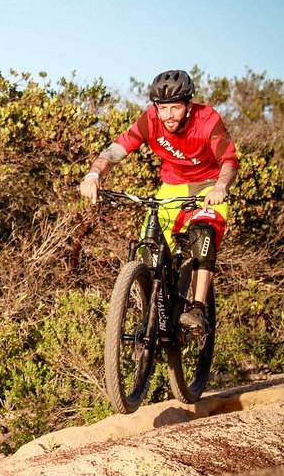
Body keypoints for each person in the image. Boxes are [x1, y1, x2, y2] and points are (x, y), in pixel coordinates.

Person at [79, 69, 239, 335]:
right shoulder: (150, 120)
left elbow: (229, 161)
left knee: (203, 236)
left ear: (188, 105)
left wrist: (221, 186)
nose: (168, 116)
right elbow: (114, 152)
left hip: (208, 187)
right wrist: (93, 175)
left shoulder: (208, 119)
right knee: (149, 247)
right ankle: (154, 315)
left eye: (175, 108)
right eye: (163, 108)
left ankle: (198, 308)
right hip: (171, 188)